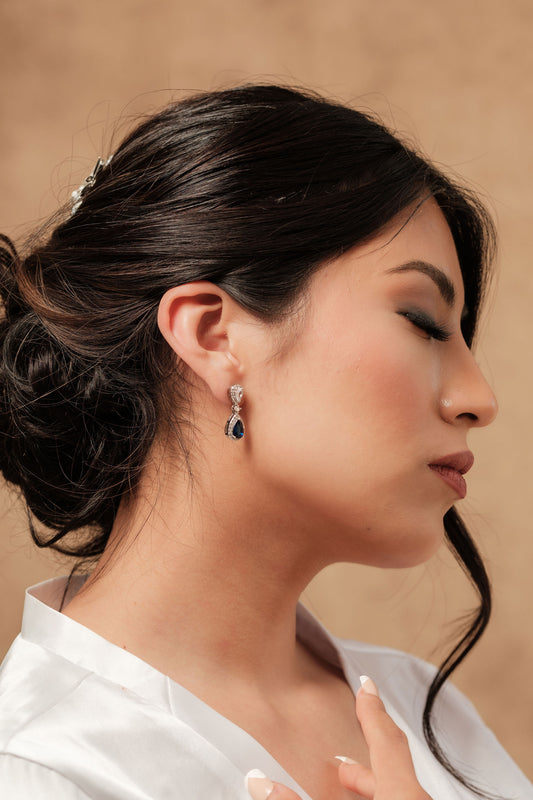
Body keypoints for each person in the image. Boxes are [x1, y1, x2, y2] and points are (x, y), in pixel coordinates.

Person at [0, 84, 530, 800]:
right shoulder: (37, 767)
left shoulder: (423, 709)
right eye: (423, 321)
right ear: (213, 336)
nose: (479, 399)